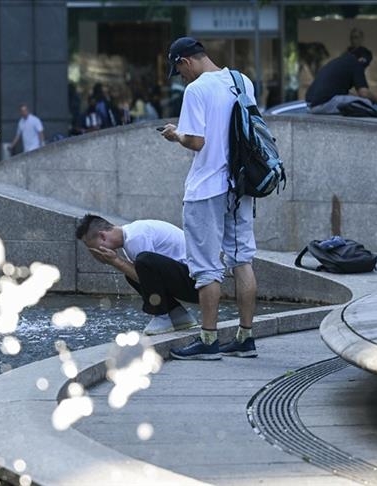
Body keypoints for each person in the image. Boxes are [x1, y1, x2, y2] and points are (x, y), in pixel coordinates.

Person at [160, 37, 259, 360]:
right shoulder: (240, 80)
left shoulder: (197, 90)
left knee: (206, 268)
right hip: (239, 185)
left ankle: (208, 339)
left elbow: (198, 142)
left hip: (206, 188)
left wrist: (177, 135)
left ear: (185, 61)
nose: (182, 77)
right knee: (242, 259)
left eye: (179, 70)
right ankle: (245, 337)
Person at [76, 215, 199, 335]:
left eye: (94, 249)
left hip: (199, 284)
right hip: (191, 281)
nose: (95, 254)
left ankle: (162, 316)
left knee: (142, 261)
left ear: (103, 236)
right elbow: (147, 278)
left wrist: (116, 261)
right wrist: (118, 263)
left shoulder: (136, 237)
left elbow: (148, 277)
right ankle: (177, 315)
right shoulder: (131, 235)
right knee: (131, 272)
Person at [305, 46, 377, 115]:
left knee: (353, 101)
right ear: (363, 60)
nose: (364, 69)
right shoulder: (356, 64)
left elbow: (343, 94)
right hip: (325, 104)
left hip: (310, 105)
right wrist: (376, 98)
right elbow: (364, 93)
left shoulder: (339, 61)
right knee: (366, 103)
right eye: (366, 66)